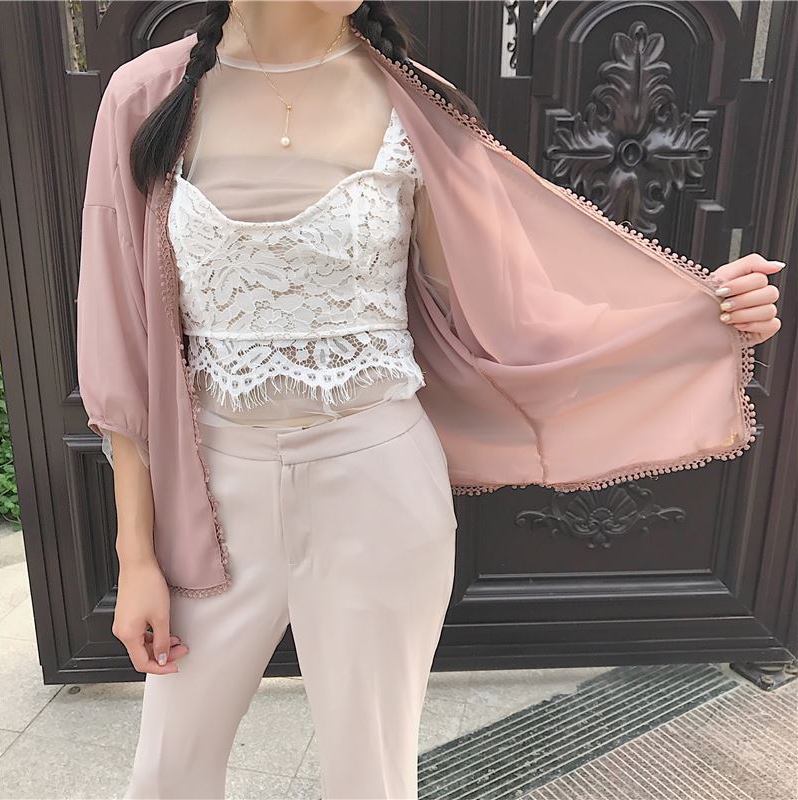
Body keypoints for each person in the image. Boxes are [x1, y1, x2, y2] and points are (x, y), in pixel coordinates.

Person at [75, 2, 783, 798]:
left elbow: (514, 313)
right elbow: (119, 343)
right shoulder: (147, 96)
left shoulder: (414, 99)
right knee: (166, 774)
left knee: (371, 778)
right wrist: (136, 557)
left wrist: (698, 313)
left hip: (378, 485)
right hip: (208, 495)